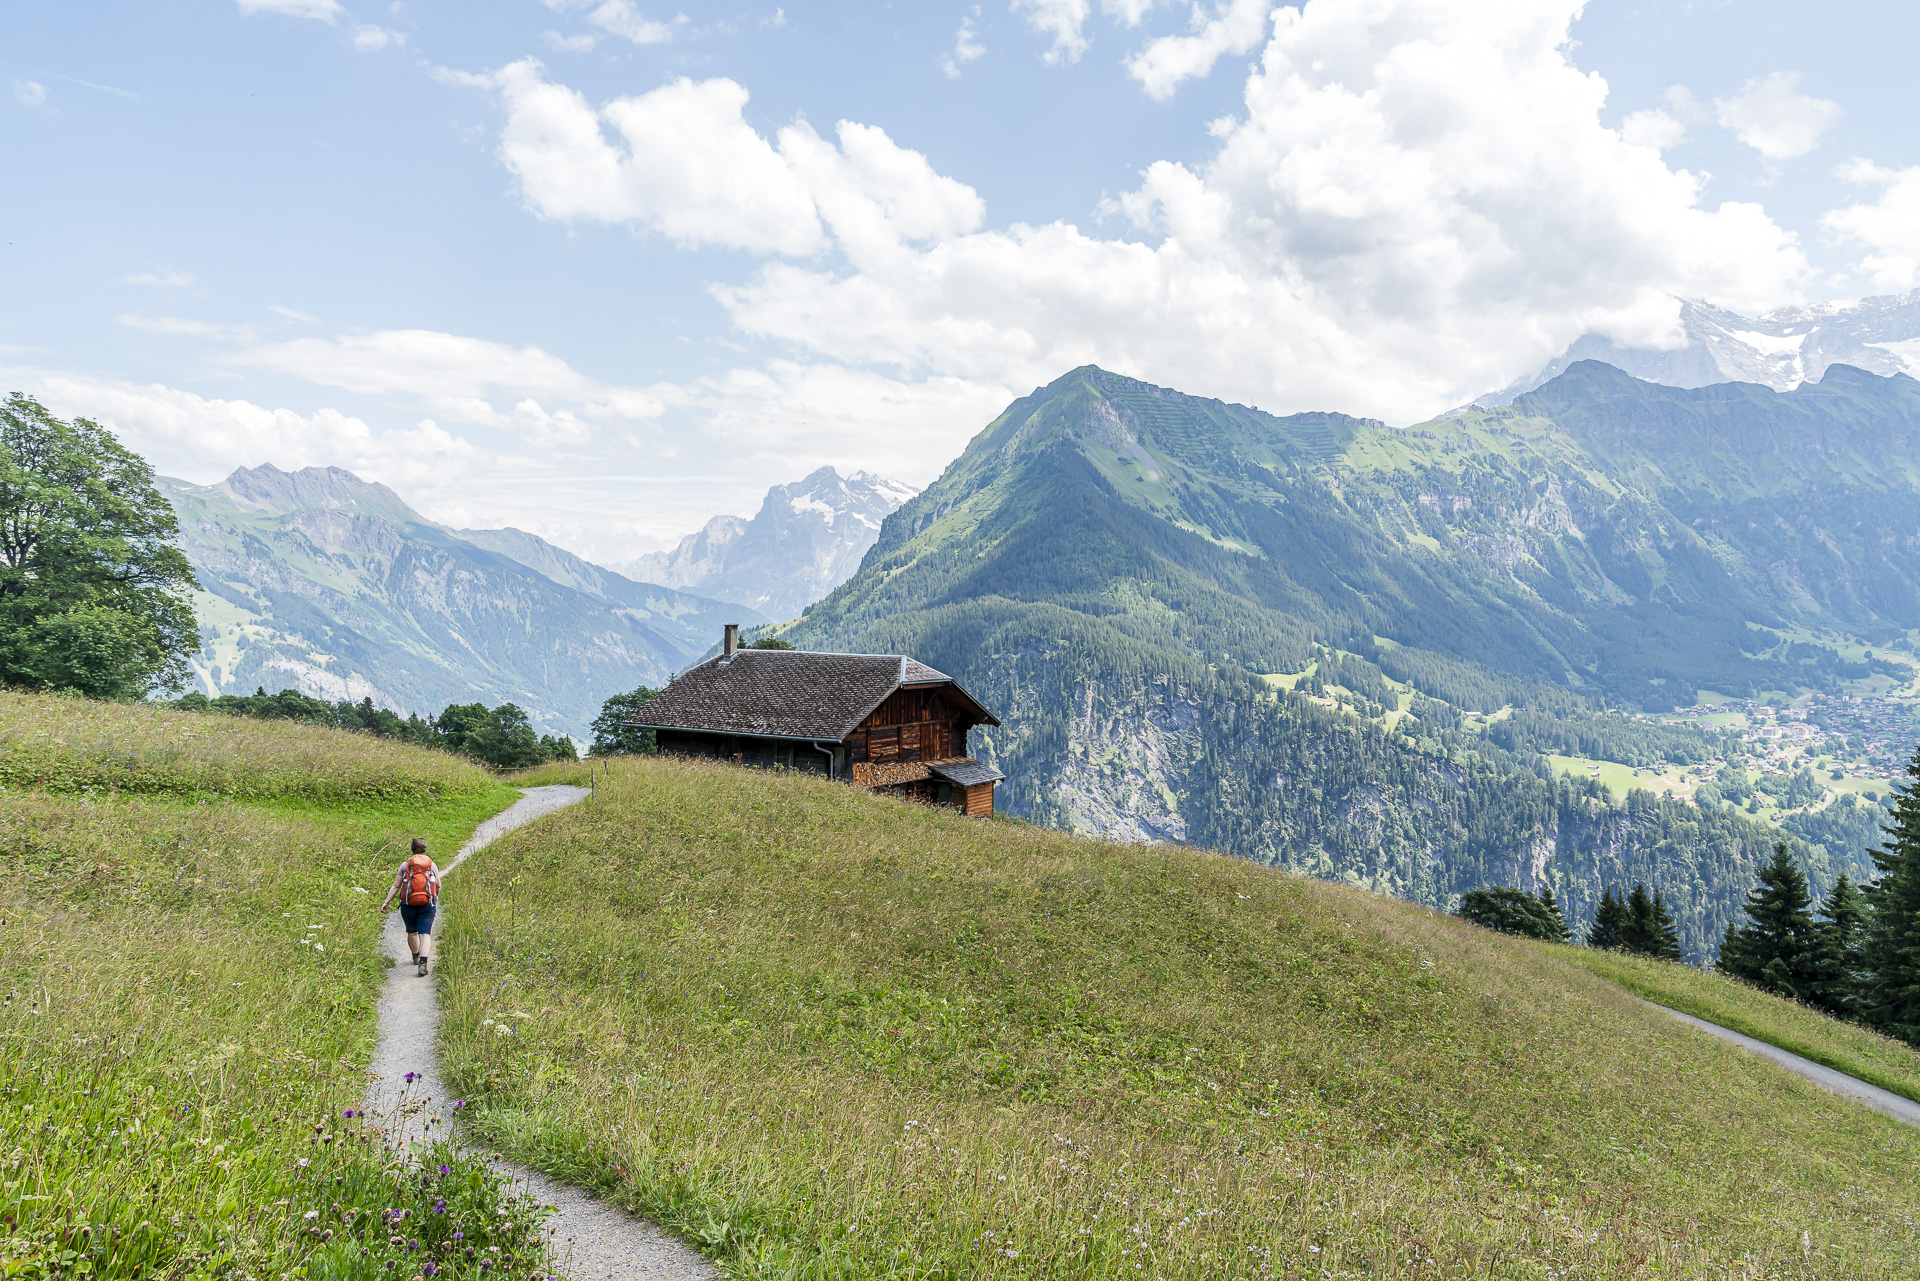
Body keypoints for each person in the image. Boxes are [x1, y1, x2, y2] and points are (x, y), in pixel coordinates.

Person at [380, 837, 440, 976]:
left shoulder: (405, 865)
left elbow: (396, 885)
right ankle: (423, 963)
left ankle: (415, 956)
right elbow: (438, 885)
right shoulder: (431, 864)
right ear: (425, 849)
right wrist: (434, 897)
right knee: (425, 934)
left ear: (412, 849)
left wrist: (386, 902)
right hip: (427, 903)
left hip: (408, 904)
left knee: (412, 932)